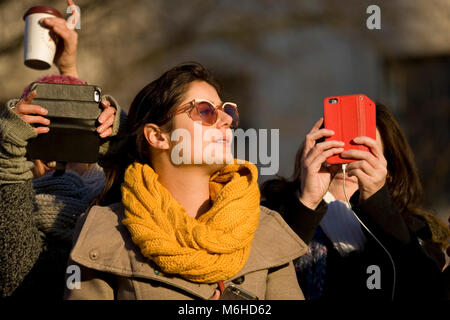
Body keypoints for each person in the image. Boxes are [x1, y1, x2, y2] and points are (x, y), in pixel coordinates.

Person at [64, 62, 307, 300]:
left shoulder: (262, 229)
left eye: (227, 111)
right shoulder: (104, 232)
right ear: (158, 137)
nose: (226, 121)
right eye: (205, 110)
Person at [0, 0, 125, 298]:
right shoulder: (13, 202)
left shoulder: (113, 204)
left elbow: (135, 157)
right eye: (41, 131)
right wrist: (9, 151)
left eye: (67, 132)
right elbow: (17, 272)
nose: (56, 149)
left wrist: (68, 67)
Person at [261, 102, 449, 300]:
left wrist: (379, 204)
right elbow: (256, 277)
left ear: (390, 170)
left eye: (363, 151)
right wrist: (306, 204)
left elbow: (428, 291)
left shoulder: (416, 230)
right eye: (338, 147)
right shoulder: (272, 215)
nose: (348, 160)